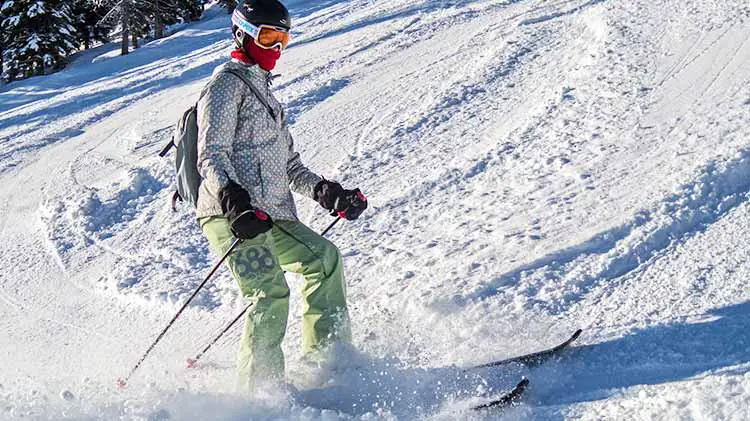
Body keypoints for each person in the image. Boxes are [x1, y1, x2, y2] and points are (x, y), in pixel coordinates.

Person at [195, 0, 367, 391]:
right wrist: (232, 199)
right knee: (268, 291)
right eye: (268, 36)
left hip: (271, 215)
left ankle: (330, 365)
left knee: (324, 259)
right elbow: (211, 154)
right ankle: (261, 398)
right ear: (242, 33)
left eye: (282, 38)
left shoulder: (268, 99)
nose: (275, 47)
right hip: (231, 215)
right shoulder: (225, 85)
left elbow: (290, 167)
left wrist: (327, 193)